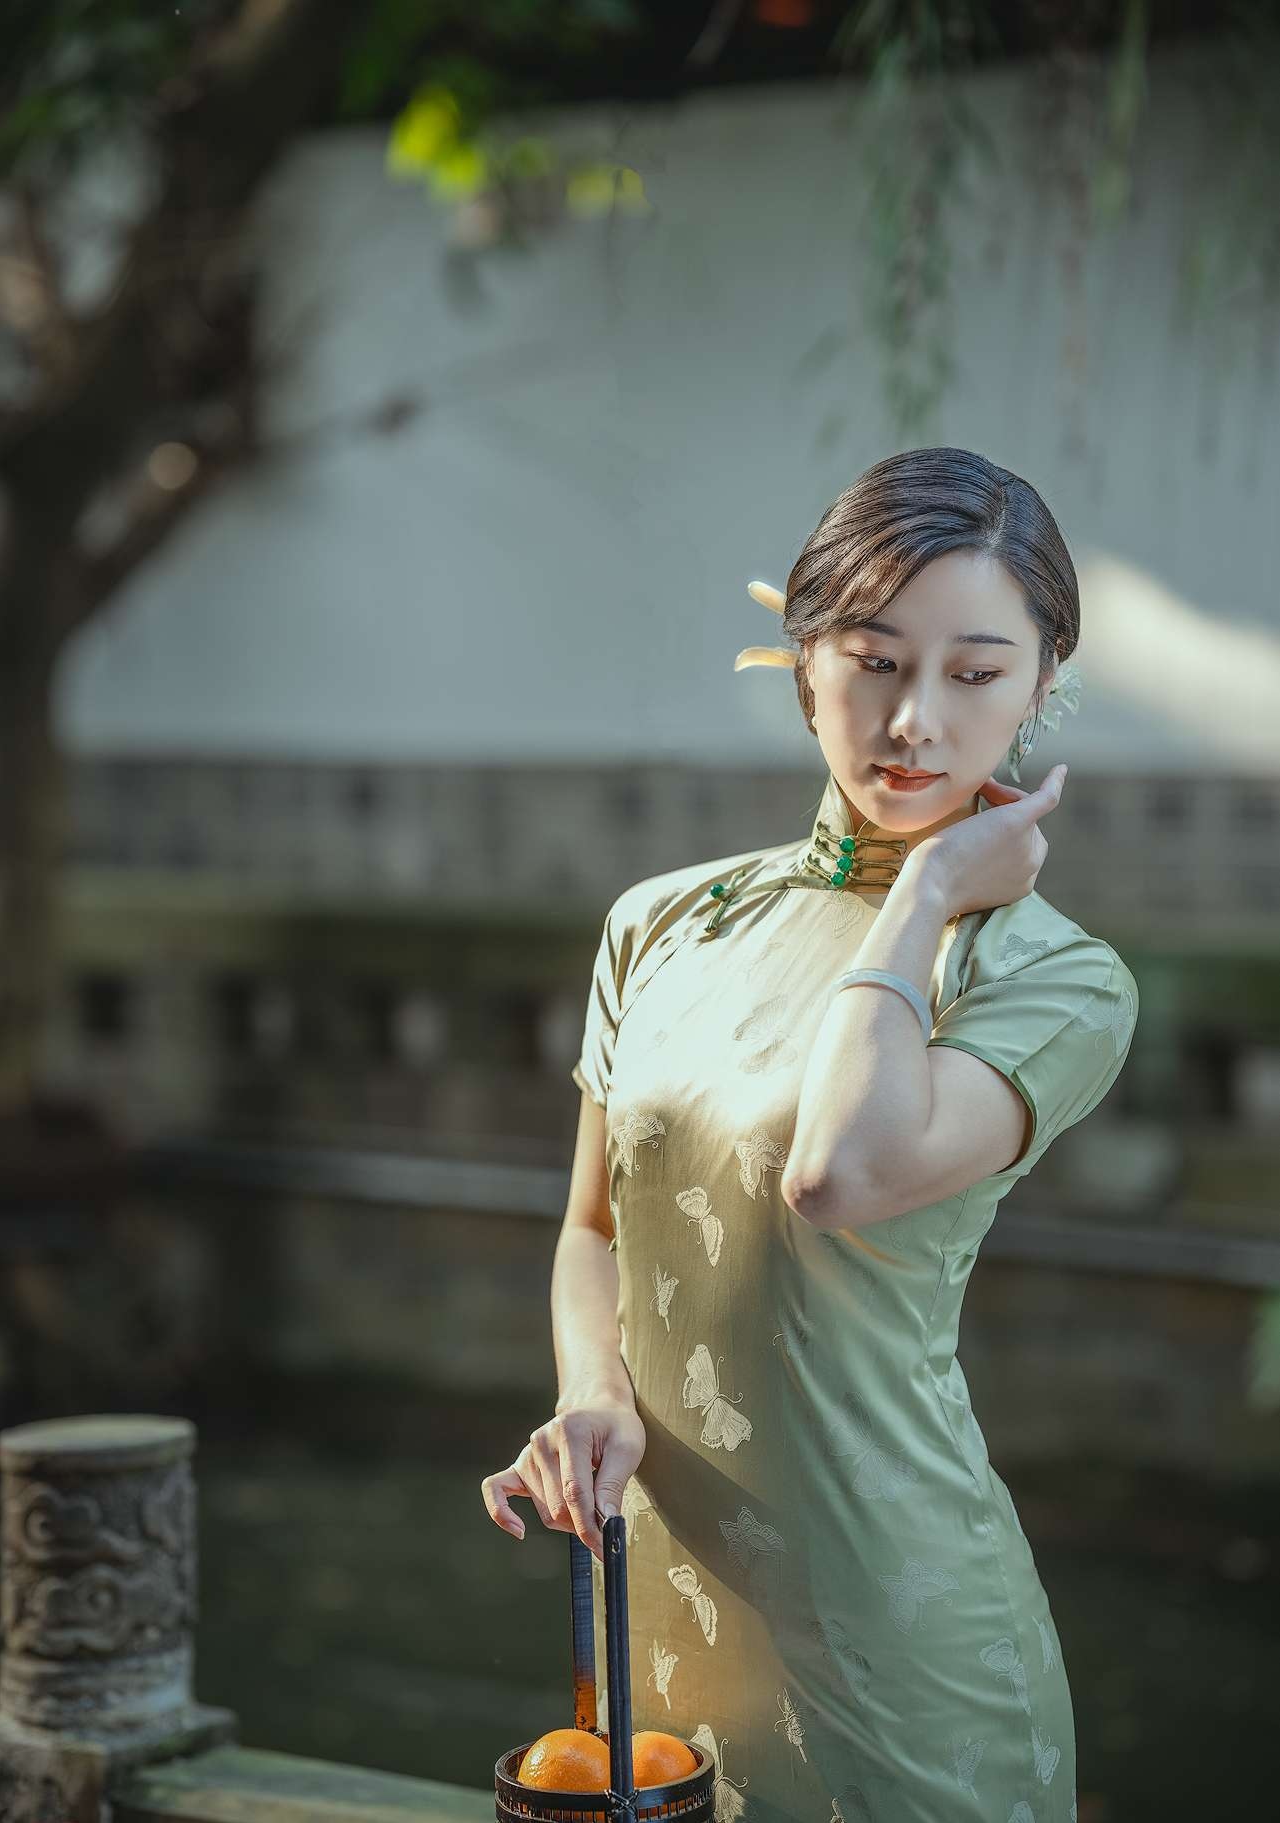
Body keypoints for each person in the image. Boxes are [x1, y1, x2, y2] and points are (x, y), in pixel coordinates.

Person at [481, 447, 1138, 1823]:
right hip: (656, 1601)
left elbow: (839, 1173)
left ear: (1038, 686)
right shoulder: (663, 922)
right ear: (801, 664)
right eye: (872, 660)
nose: (914, 720)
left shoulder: (1053, 978)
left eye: (974, 672)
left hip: (899, 1632)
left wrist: (935, 889)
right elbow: (596, 1226)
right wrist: (590, 1393)